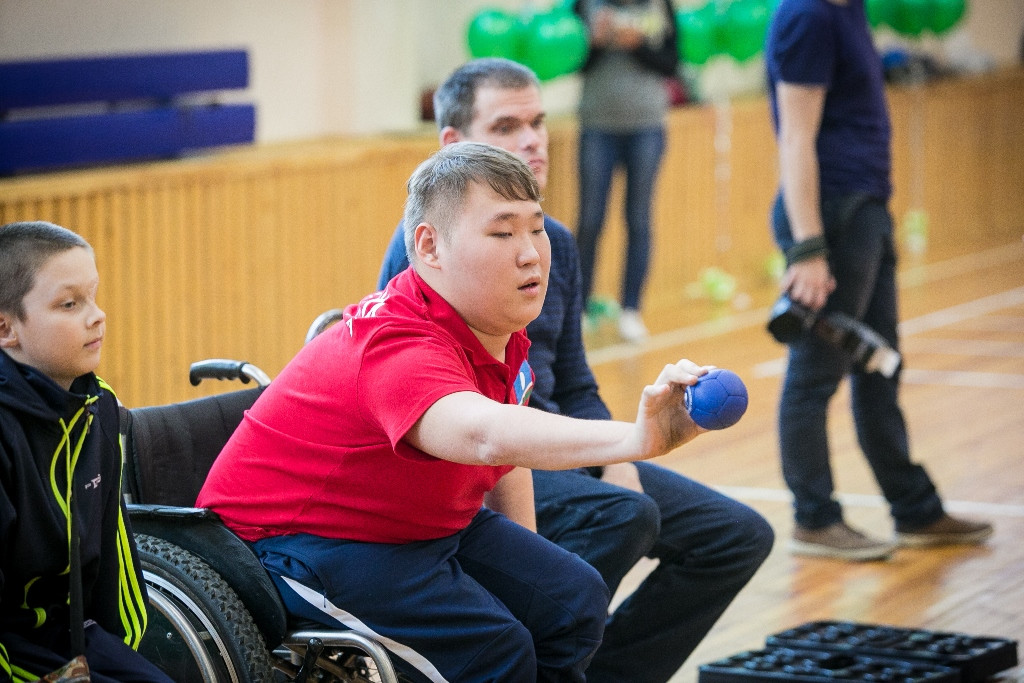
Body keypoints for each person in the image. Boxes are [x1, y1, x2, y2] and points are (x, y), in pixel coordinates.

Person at [199, 142, 716, 683]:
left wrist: (533, 574)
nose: (532, 253)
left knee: (572, 602)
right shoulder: (397, 343)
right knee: (496, 653)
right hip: (291, 547)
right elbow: (484, 435)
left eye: (536, 228)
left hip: (412, 528)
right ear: (430, 246)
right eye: (502, 232)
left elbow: (507, 454)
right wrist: (637, 437)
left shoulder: (495, 330)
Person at [379, 58, 773, 683]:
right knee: (622, 516)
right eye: (507, 125)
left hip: (574, 443)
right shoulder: (425, 249)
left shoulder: (555, 241)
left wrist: (619, 457)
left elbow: (577, 382)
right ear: (452, 144)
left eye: (537, 121)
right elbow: (444, 410)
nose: (533, 139)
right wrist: (613, 454)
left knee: (736, 537)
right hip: (492, 459)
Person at [765, 0, 993, 561]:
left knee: (880, 364)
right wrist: (809, 247)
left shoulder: (850, 9)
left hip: (864, 210)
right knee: (815, 376)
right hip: (831, 217)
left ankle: (915, 510)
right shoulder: (807, 16)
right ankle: (815, 520)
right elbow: (795, 138)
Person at [0, 221, 172, 682]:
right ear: (6, 328)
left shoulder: (100, 407)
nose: (96, 316)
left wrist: (125, 656)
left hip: (75, 637)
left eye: (93, 297)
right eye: (69, 304)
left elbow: (115, 554)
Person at [571, 0, 678, 342]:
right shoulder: (584, 5)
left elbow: (672, 63)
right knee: (589, 220)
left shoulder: (660, 5)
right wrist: (596, 44)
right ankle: (581, 307)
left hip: (647, 125)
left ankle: (631, 308)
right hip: (597, 125)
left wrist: (639, 46)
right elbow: (572, 62)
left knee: (639, 219)